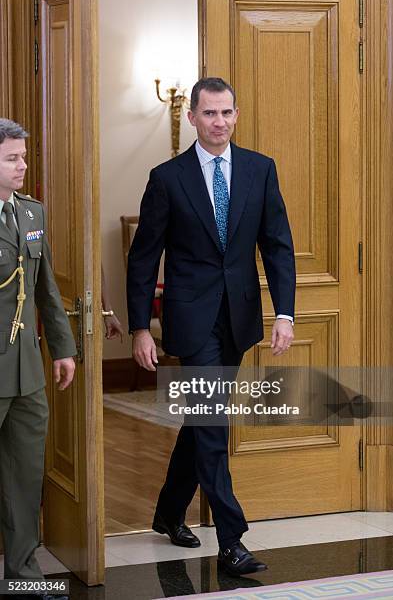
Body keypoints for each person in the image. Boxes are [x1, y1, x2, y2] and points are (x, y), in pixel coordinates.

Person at [127, 78, 296, 576]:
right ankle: (231, 539)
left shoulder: (259, 170)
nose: (218, 122)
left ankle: (167, 511)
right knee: (212, 422)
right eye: (209, 114)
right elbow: (144, 258)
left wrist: (283, 312)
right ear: (193, 117)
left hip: (239, 318)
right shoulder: (167, 178)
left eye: (226, 113)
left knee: (202, 419)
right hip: (191, 318)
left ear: (236, 115)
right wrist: (141, 327)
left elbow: (278, 245)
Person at [0, 118, 76, 599]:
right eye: (12, 158)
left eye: (23, 157)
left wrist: (64, 348)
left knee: (25, 479)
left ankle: (23, 577)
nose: (23, 165)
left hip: (26, 369)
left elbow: (45, 287)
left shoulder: (31, 214)